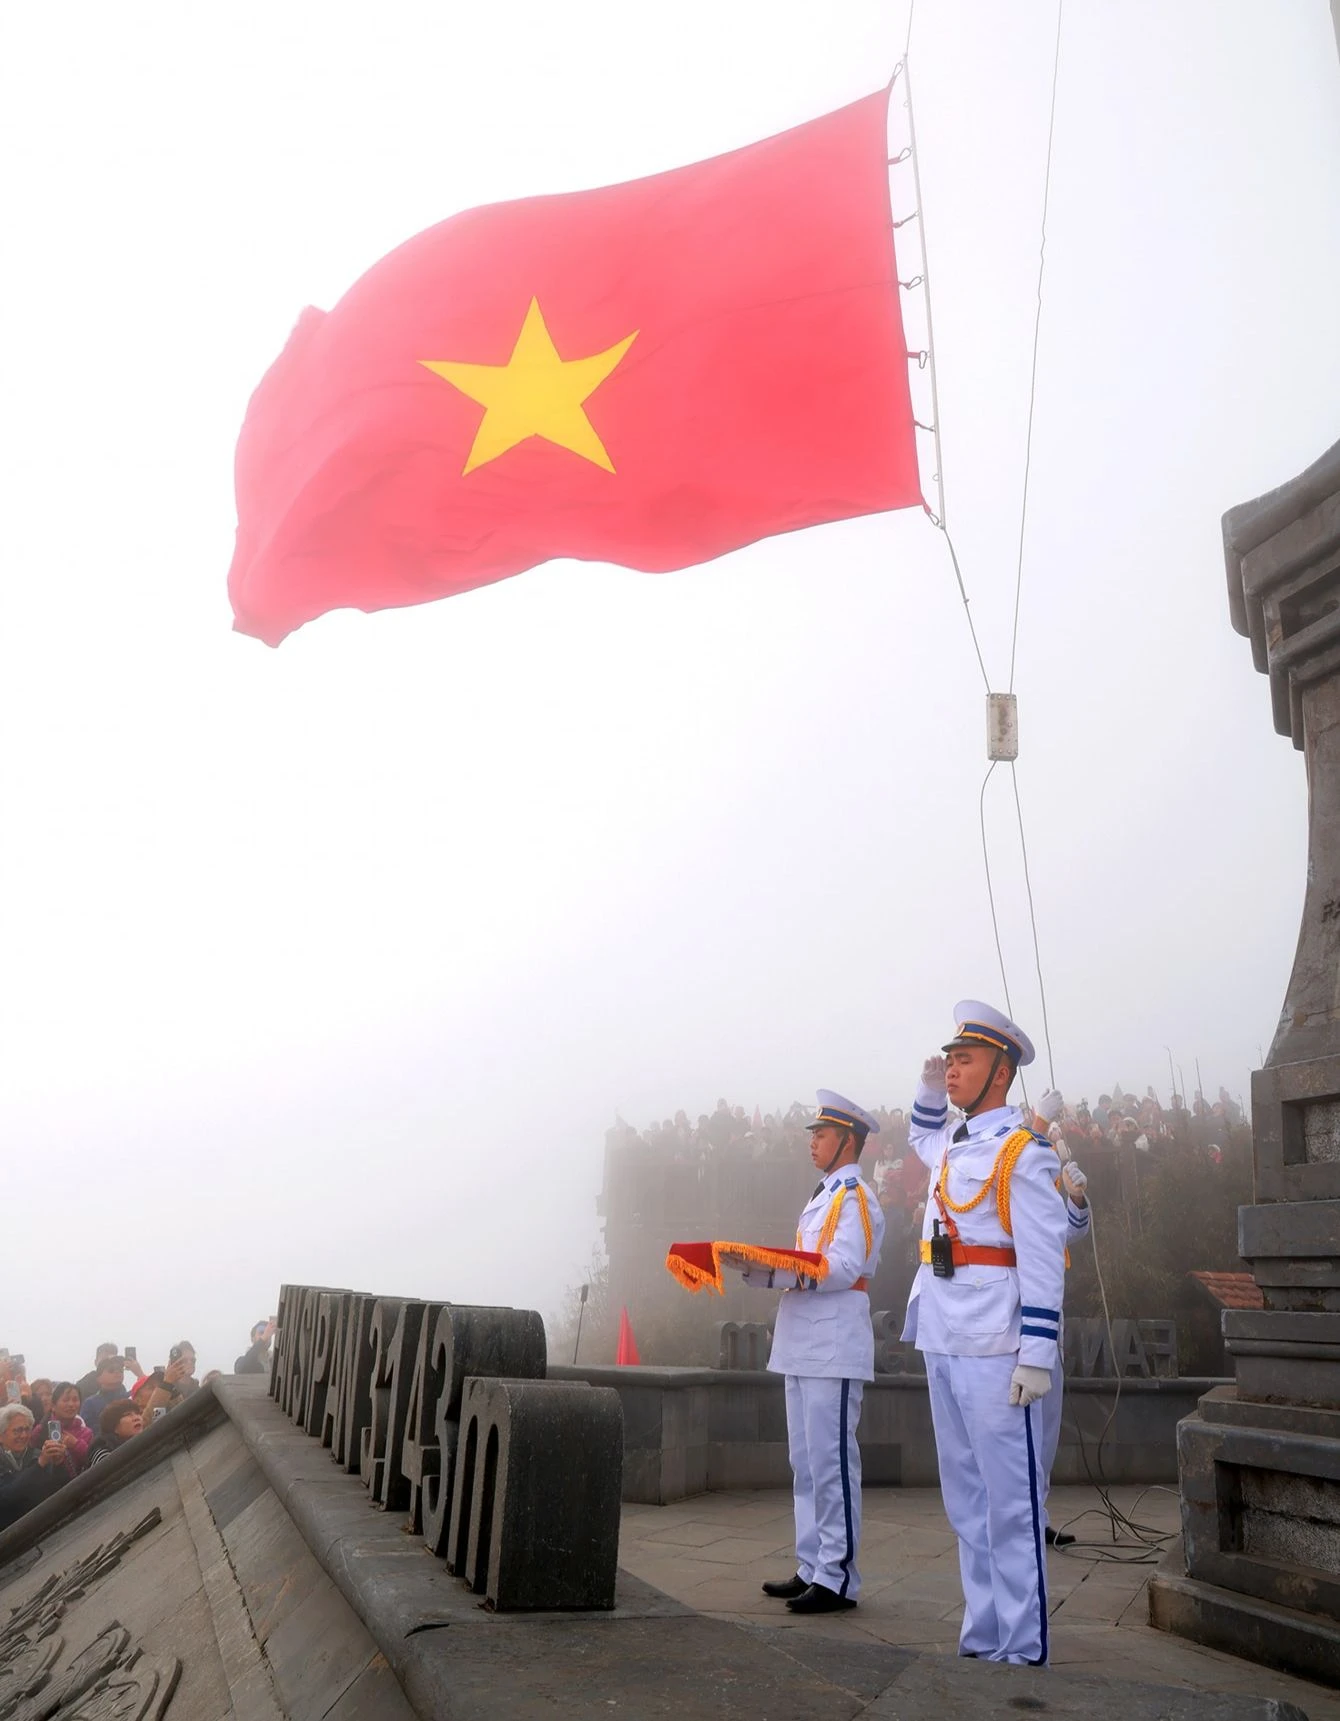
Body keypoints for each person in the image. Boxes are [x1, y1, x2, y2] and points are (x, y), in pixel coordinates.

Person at [904, 1002, 1070, 1666]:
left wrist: (1038, 1354)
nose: (951, 1067)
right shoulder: (955, 1141)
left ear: (1001, 1071)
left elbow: (1040, 1260)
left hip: (998, 1349)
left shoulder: (1023, 1154)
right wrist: (924, 1085)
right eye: (949, 1058)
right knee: (967, 1503)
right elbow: (921, 1129)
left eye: (963, 1059)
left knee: (1012, 1506)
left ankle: (1023, 1646)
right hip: (943, 1337)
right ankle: (982, 1634)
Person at [729, 1089, 886, 1614]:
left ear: (848, 1140)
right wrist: (759, 1267)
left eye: (820, 1135)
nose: (812, 1143)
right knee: (805, 1463)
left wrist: (769, 1267)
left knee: (831, 1461)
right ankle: (812, 1565)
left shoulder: (856, 1198)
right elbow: (810, 1264)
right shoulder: (823, 1197)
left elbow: (840, 1267)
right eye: (813, 1134)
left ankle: (838, 1577)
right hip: (803, 1343)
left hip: (833, 1345)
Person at [0, 1404, 69, 1528]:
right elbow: (7, 1496)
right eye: (17, 1430)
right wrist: (39, 1465)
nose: (24, 1435)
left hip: (42, 1529)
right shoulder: (41, 1459)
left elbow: (60, 1493)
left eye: (27, 1429)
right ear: (1, 1436)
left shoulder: (39, 1455)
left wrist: (59, 1464)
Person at [25, 1382, 93, 1475]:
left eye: (75, 1400)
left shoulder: (86, 1433)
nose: (71, 1404)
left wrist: (76, 1445)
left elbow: (92, 1460)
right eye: (65, 1400)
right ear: (53, 1406)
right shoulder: (41, 1430)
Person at [85, 1401, 144, 1466]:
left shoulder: (144, 1444)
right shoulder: (104, 1455)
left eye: (138, 1413)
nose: (136, 1418)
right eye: (128, 1414)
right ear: (114, 1427)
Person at [79, 1356, 132, 1429]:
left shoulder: (130, 1398)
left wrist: (138, 1373)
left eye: (120, 1370)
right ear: (99, 1378)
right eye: (111, 1370)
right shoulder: (90, 1403)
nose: (117, 1372)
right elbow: (87, 1432)